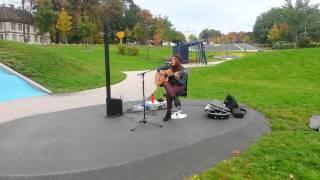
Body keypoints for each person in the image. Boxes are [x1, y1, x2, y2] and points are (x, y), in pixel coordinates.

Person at [157, 54, 187, 121]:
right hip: (170, 86)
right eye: (172, 59)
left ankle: (168, 113)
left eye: (174, 59)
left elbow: (182, 83)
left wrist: (176, 78)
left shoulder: (183, 70)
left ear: (178, 61)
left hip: (179, 86)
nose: (172, 61)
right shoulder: (169, 66)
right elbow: (158, 68)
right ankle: (175, 98)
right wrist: (160, 71)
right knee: (165, 82)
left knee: (168, 94)